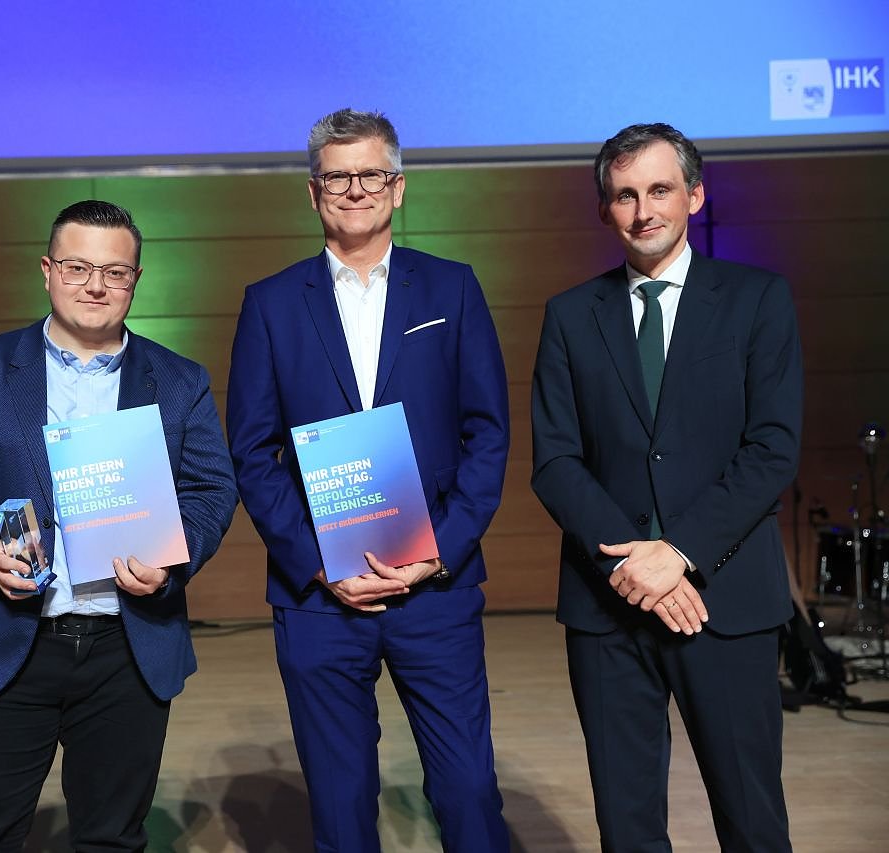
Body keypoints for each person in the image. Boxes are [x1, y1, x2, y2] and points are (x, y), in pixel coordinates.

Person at [0, 200, 238, 852]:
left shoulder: (179, 381)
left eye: (114, 272)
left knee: (113, 839)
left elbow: (211, 489)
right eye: (77, 267)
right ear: (47, 270)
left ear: (135, 279)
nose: (95, 286)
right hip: (8, 638)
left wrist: (174, 560)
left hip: (127, 647)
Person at [227, 108, 511, 852]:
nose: (355, 189)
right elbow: (251, 451)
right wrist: (318, 562)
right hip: (320, 597)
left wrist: (439, 549)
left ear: (398, 186)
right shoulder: (270, 302)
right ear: (313, 192)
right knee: (341, 805)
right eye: (337, 177)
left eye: (371, 175)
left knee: (469, 792)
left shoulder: (452, 289)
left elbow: (489, 435)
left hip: (436, 588)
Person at [530, 122, 799, 851]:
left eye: (659, 189)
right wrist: (632, 563)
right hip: (607, 608)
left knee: (752, 822)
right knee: (627, 828)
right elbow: (555, 461)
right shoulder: (569, 316)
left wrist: (677, 552)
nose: (643, 209)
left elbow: (772, 449)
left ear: (694, 196)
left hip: (725, 600)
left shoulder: (757, 299)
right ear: (605, 209)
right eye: (625, 195)